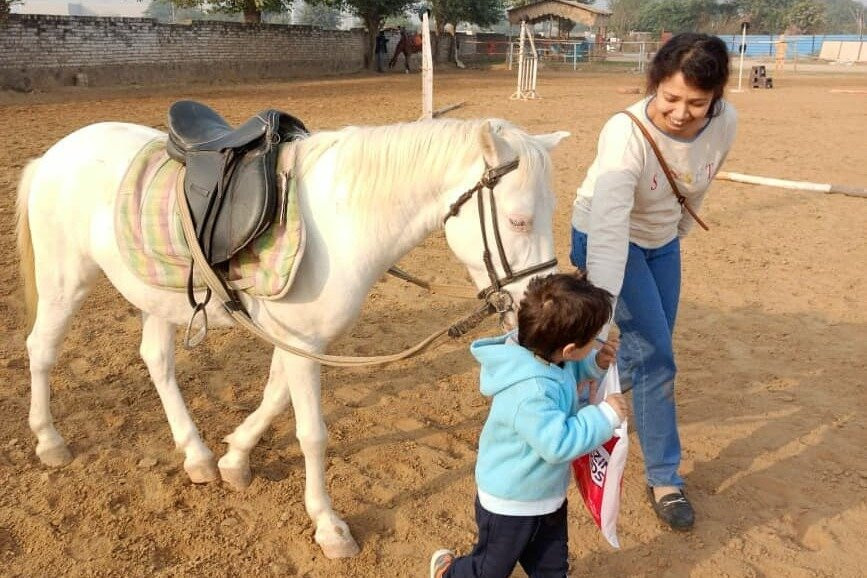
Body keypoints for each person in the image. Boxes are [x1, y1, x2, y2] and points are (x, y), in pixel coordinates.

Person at [568, 32, 737, 531]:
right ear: (654, 85)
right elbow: (609, 227)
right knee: (654, 356)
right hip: (605, 233)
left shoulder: (725, 123)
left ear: (717, 99)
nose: (682, 113)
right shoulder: (625, 135)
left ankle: (589, 411)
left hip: (663, 242)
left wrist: (677, 233)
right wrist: (599, 308)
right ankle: (664, 477)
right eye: (671, 98)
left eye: (697, 103)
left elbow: (701, 181)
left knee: (648, 353)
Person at [429, 273, 628, 578]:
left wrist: (594, 364)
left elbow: (566, 375)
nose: (596, 344)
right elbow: (557, 443)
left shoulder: (547, 357)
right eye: (593, 342)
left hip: (546, 495)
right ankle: (449, 572)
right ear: (570, 348)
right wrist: (604, 416)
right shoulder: (529, 392)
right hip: (510, 503)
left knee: (552, 568)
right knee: (489, 571)